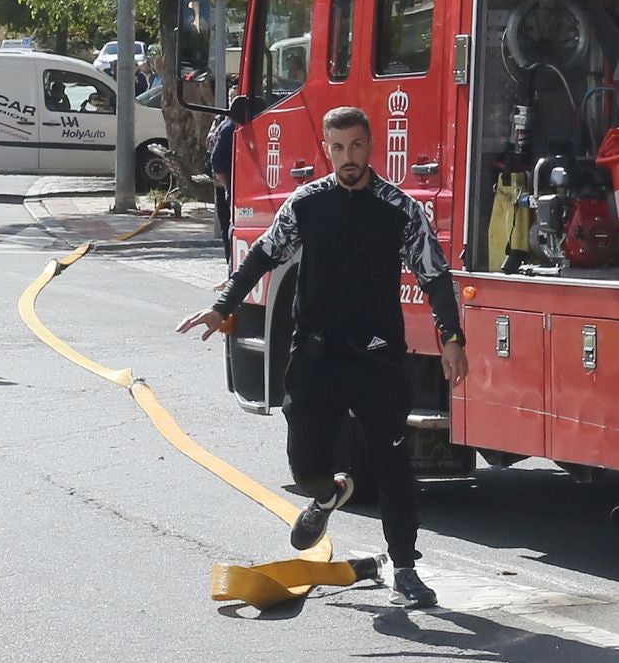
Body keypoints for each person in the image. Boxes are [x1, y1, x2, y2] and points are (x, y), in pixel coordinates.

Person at [178, 106, 468, 608]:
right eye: (337, 148)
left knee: (394, 466)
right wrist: (222, 306)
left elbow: (435, 275)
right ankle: (329, 491)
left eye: (355, 147)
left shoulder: (398, 208)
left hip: (377, 358)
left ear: (371, 147)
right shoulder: (306, 204)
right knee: (304, 463)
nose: (347, 158)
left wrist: (450, 337)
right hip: (317, 357)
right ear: (326, 151)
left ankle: (404, 567)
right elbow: (263, 256)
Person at [207, 112, 234, 244]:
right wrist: (224, 181)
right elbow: (211, 148)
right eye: (231, 98)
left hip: (228, 181)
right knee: (226, 224)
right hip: (222, 182)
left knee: (230, 224)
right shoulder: (222, 121)